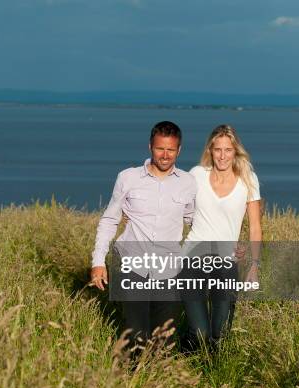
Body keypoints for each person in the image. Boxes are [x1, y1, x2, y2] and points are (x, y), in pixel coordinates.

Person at [90, 121, 197, 349]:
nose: (165, 155)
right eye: (160, 148)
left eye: (170, 149)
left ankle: (157, 382)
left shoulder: (188, 183)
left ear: (179, 150)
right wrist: (98, 262)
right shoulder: (128, 178)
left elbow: (194, 221)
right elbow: (110, 220)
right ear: (150, 146)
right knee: (135, 336)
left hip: (168, 269)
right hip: (131, 265)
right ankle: (129, 382)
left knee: (164, 340)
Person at [181, 124, 262, 351]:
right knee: (200, 333)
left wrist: (254, 266)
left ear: (235, 151)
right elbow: (178, 207)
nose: (223, 156)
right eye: (218, 150)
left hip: (226, 261)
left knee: (220, 334)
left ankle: (213, 376)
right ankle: (182, 367)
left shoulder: (248, 180)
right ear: (210, 150)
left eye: (228, 150)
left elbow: (255, 227)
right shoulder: (197, 174)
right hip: (191, 259)